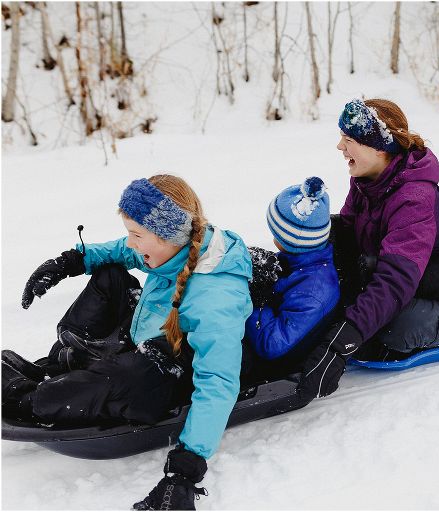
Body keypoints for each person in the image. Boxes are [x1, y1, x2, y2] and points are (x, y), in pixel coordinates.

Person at [1, 175, 253, 510]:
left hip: (165, 374)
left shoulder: (215, 298)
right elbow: (122, 250)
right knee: (111, 275)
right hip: (146, 337)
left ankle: (33, 396)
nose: (131, 243)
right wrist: (71, 262)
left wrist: (186, 468)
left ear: (167, 236)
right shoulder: (179, 244)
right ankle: (68, 364)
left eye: (137, 234)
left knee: (106, 382)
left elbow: (219, 383)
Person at [297, 98, 439, 400]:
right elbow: (348, 233)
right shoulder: (367, 179)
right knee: (337, 296)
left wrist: (341, 342)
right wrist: (305, 234)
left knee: (387, 328)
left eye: (348, 140)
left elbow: (395, 279)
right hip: (413, 284)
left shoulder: (413, 197)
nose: (338, 147)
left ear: (380, 147)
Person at [243, 177, 340, 380]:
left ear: (290, 240)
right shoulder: (299, 260)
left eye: (275, 233)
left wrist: (254, 304)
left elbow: (272, 345)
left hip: (278, 361)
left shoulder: (313, 292)